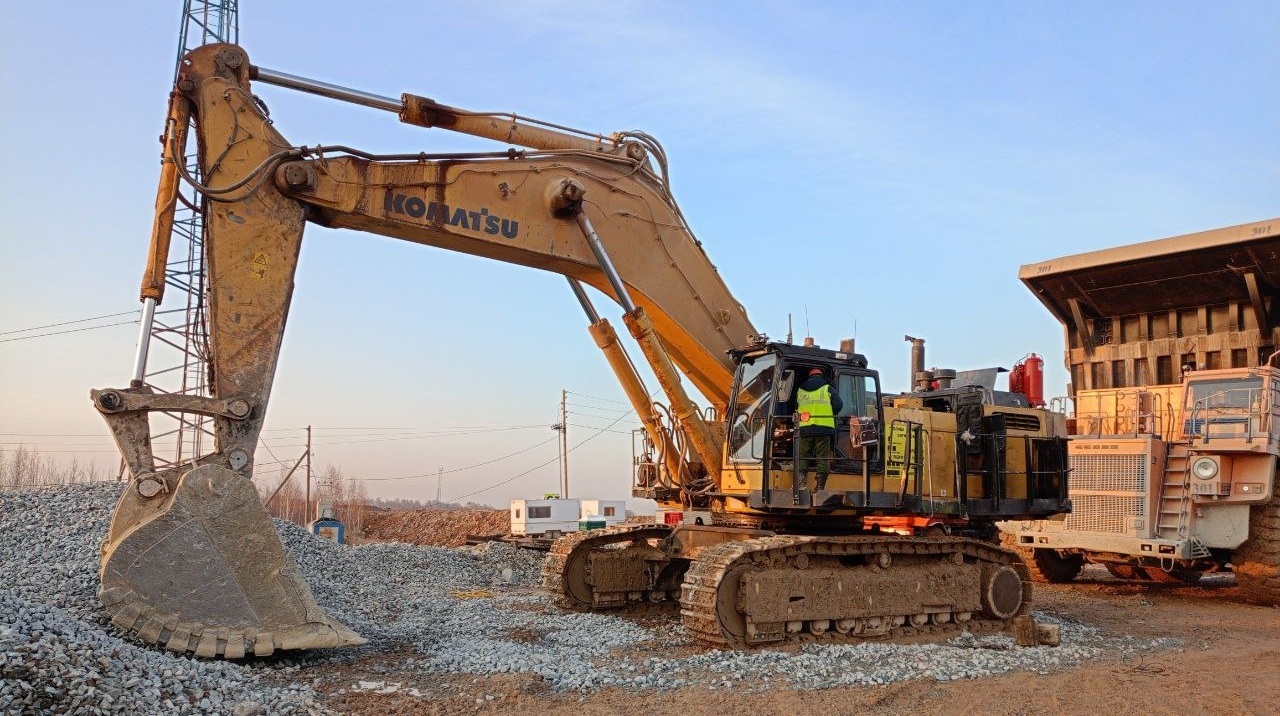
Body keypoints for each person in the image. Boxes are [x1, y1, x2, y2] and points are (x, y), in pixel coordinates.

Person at [795, 367, 842, 491]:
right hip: (823, 427)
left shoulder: (800, 389)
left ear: (810, 376)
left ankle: (801, 484)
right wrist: (829, 413)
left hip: (805, 427)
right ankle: (820, 487)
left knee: (802, 455)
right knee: (822, 457)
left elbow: (796, 407)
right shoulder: (827, 388)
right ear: (821, 376)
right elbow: (838, 404)